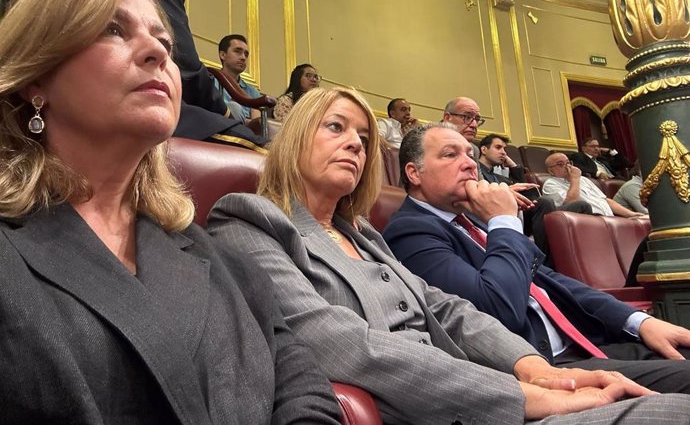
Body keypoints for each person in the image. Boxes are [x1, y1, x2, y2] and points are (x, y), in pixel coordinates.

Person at [207, 88, 690, 424]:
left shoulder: (365, 235)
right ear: (293, 140)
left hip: (495, 385)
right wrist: (523, 394)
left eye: (363, 137)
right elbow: (335, 340)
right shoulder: (249, 218)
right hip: (436, 409)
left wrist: (530, 366)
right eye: (336, 127)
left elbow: (448, 309)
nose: (355, 142)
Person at [0, 0, 340, 423]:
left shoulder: (207, 249)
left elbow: (298, 376)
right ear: (36, 78)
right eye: (113, 29)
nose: (157, 52)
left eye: (164, 41)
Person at [383, 122, 690, 396]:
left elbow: (549, 281)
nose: (469, 165)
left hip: (586, 340)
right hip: (546, 369)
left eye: (470, 154)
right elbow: (496, 310)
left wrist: (639, 322)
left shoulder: (471, 222)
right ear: (414, 173)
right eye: (451, 155)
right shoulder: (411, 231)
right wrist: (503, 221)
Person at [91, 0, 265, 151]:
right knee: (266, 153)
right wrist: (223, 111)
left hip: (87, 103)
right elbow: (179, 54)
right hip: (145, 101)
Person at [478, 133, 592, 255]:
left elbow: (524, 187)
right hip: (503, 214)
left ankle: (584, 254)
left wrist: (513, 165)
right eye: (498, 147)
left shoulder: (498, 176)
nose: (504, 152)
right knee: (544, 202)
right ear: (484, 149)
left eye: (505, 149)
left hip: (522, 211)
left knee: (582, 205)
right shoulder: (476, 170)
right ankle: (545, 258)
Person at [543, 152, 644, 217]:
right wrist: (575, 179)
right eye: (560, 164)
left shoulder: (584, 180)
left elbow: (605, 200)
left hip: (609, 219)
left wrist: (631, 214)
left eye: (568, 162)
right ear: (551, 171)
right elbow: (572, 205)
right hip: (586, 224)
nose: (567, 166)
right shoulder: (550, 184)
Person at [217, 34, 261, 122]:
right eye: (238, 51)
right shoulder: (210, 81)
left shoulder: (253, 92)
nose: (243, 57)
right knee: (234, 108)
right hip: (217, 129)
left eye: (246, 54)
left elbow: (257, 123)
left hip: (247, 133)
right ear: (223, 55)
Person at [441, 96, 486, 179]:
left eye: (477, 119)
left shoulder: (473, 149)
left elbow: (479, 182)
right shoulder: (427, 141)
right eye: (467, 117)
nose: (474, 125)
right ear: (447, 118)